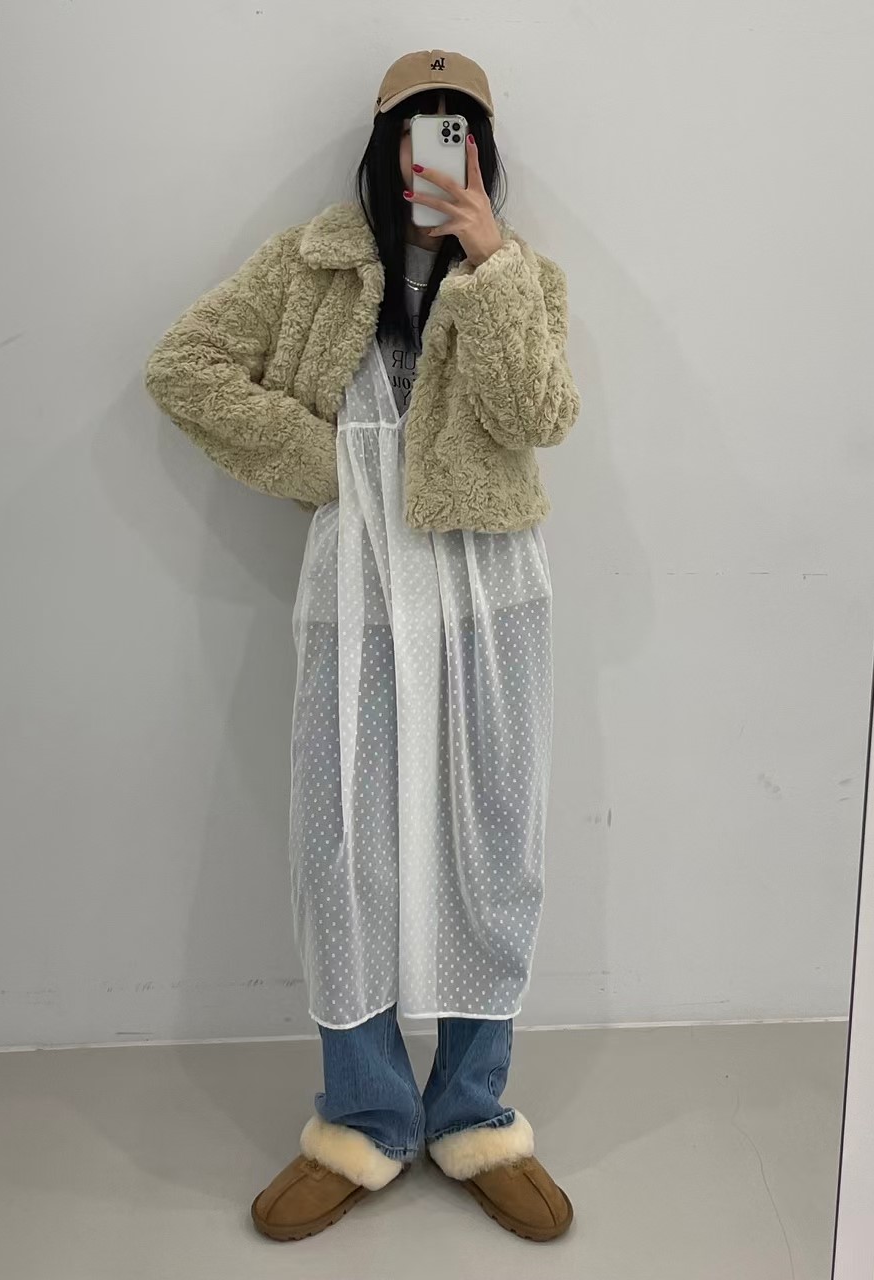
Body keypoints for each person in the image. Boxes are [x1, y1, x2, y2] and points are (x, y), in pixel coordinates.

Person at [144, 48, 581, 1243]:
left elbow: (538, 416)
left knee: (494, 843)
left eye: (457, 131)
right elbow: (183, 367)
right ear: (382, 145)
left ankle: (473, 1111)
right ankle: (366, 1116)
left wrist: (489, 263)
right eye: (415, 130)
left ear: (480, 152)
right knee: (344, 844)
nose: (434, 151)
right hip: (359, 586)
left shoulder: (521, 275)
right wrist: (321, 464)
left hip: (490, 590)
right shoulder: (313, 263)